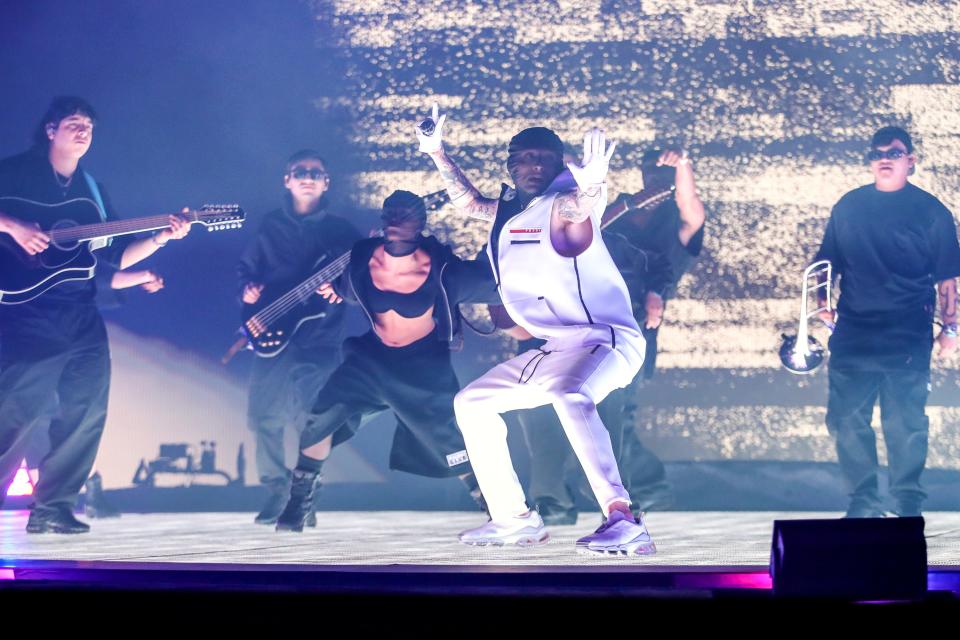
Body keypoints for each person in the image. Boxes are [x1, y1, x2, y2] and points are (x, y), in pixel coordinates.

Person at [418, 103, 654, 555]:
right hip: (557, 346)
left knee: (570, 394)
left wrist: (594, 185)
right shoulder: (512, 207)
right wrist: (436, 153)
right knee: (472, 403)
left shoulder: (563, 204)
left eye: (543, 159)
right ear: (510, 163)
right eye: (524, 158)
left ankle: (623, 517)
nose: (532, 167)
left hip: (606, 340)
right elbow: (470, 204)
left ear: (558, 163)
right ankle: (513, 518)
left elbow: (581, 207)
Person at [0, 96, 190, 533]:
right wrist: (15, 226)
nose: (83, 130)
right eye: (73, 122)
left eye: (89, 125)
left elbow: (120, 255)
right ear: (50, 130)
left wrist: (163, 238)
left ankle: (53, 508)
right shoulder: (12, 172)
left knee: (86, 409)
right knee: (16, 411)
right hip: (26, 309)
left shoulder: (92, 190)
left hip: (80, 312)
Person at [275, 190, 498, 532]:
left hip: (422, 366)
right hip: (372, 359)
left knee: (449, 439)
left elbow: (487, 282)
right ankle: (299, 499)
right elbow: (350, 289)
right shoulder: (364, 255)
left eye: (405, 213)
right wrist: (336, 288)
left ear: (421, 223)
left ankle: (497, 506)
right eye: (390, 212)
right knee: (321, 416)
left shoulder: (439, 265)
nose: (396, 219)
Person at [814, 125, 960, 518]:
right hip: (854, 331)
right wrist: (822, 304)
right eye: (878, 152)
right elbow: (826, 261)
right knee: (845, 419)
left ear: (910, 161)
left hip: (907, 331)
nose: (884, 158)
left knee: (905, 421)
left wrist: (951, 328)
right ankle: (864, 501)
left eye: (894, 153)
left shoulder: (930, 211)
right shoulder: (849, 206)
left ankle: (906, 502)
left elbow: (948, 274)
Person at [236, 150, 361, 525]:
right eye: (300, 171)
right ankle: (276, 491)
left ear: (326, 182)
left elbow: (362, 278)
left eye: (315, 172)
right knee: (263, 417)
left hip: (321, 337)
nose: (307, 177)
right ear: (286, 180)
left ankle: (305, 494)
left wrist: (341, 290)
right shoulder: (270, 225)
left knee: (312, 418)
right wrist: (248, 289)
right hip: (272, 330)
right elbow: (247, 267)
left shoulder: (342, 232)